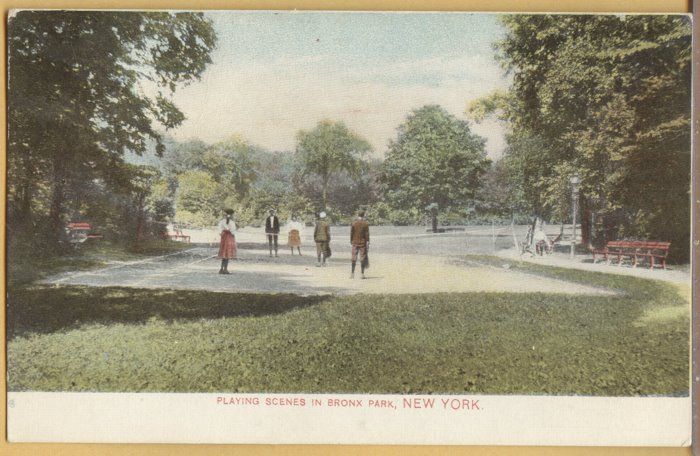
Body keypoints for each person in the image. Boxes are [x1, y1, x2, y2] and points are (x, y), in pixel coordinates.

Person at [350, 210, 370, 279]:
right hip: (362, 243)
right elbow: (367, 234)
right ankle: (362, 274)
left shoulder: (354, 223)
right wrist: (367, 241)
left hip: (355, 242)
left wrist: (351, 241)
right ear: (363, 215)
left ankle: (352, 274)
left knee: (353, 258)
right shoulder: (365, 224)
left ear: (357, 215)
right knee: (362, 258)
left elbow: (351, 233)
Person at [217, 208, 237, 274]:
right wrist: (233, 234)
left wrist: (222, 234)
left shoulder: (222, 221)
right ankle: (225, 269)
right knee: (227, 253)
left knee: (224, 253)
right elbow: (233, 231)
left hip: (224, 237)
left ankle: (221, 268)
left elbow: (219, 229)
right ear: (231, 215)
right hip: (229, 237)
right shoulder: (232, 222)